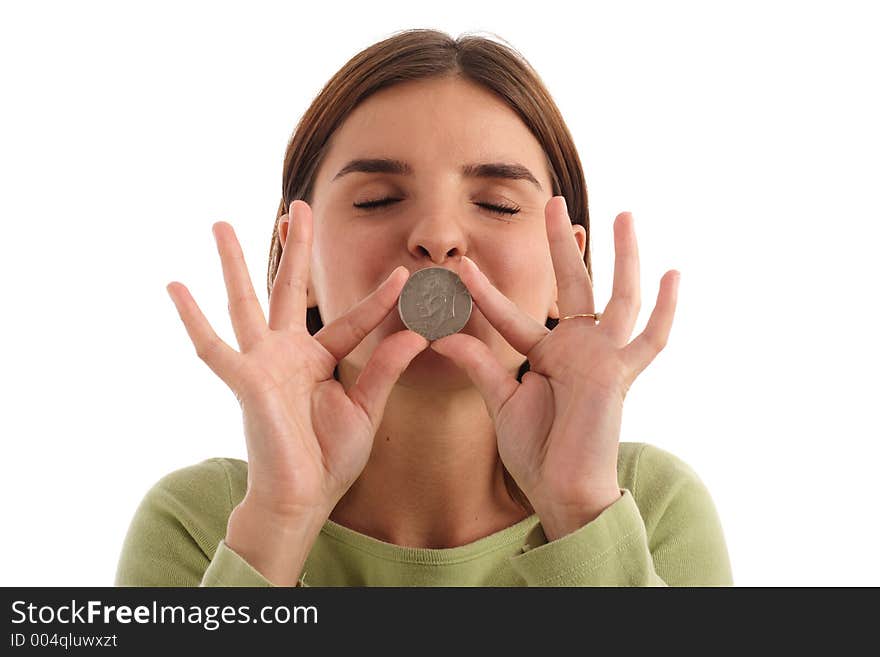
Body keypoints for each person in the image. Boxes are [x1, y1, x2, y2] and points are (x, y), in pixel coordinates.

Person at [115, 29, 733, 587]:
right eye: (378, 199)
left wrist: (579, 512)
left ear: (561, 268)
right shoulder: (199, 523)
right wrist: (278, 525)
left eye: (497, 204)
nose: (438, 235)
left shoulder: (648, 507)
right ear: (296, 266)